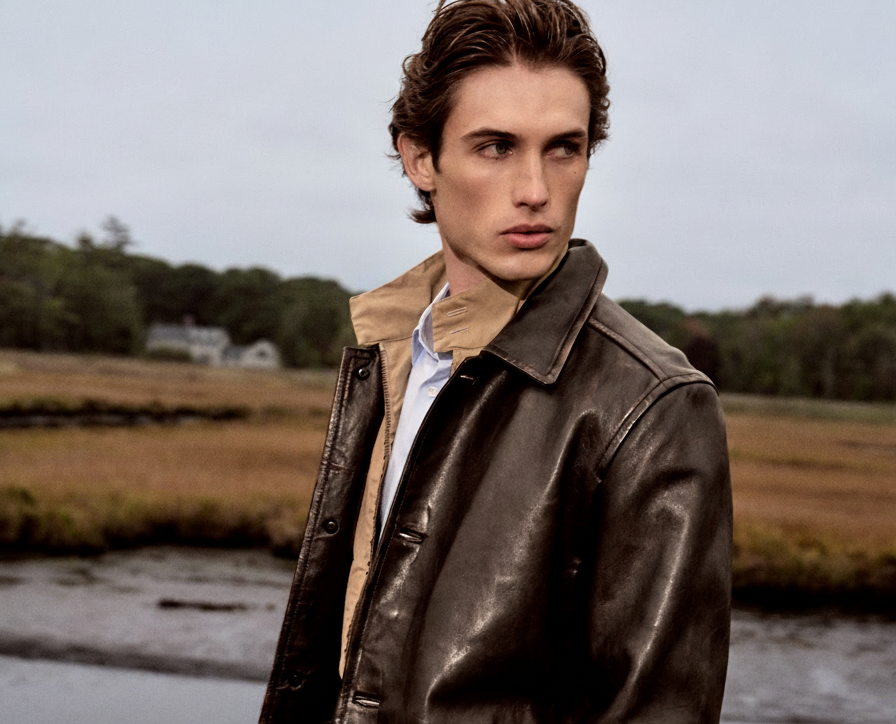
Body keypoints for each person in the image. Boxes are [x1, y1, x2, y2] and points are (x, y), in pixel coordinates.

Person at [260, 1, 732, 722]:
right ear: (421, 158)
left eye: (563, 148)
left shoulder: (655, 404)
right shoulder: (392, 351)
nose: (536, 190)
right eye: (496, 146)